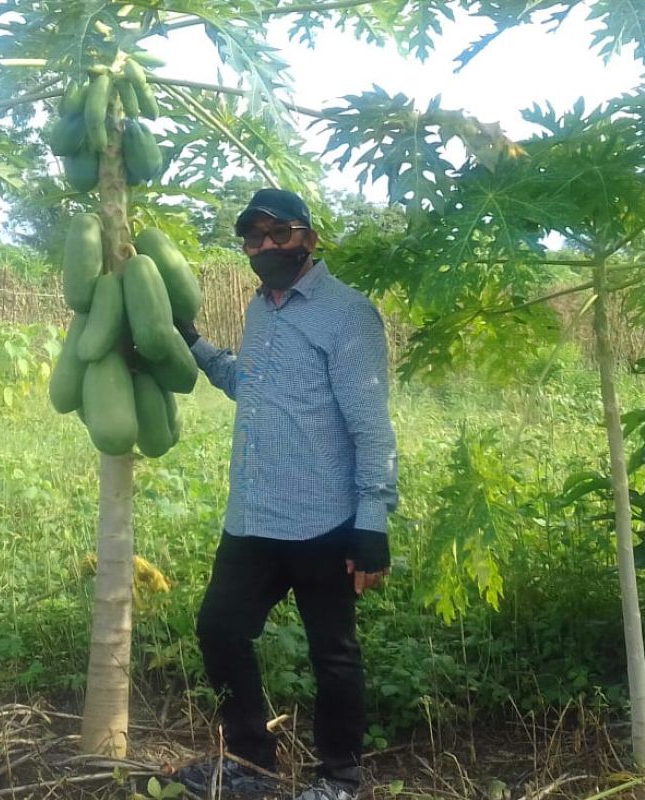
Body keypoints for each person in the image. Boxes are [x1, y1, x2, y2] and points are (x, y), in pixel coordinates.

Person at [174, 188, 399, 800]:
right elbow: (243, 382)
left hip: (325, 520)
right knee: (220, 628)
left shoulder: (347, 313)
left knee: (333, 652)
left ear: (309, 239)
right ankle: (250, 762)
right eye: (254, 236)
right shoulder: (261, 310)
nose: (266, 246)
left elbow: (371, 426)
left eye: (280, 234)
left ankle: (339, 778)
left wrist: (372, 521)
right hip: (254, 516)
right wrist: (192, 340)